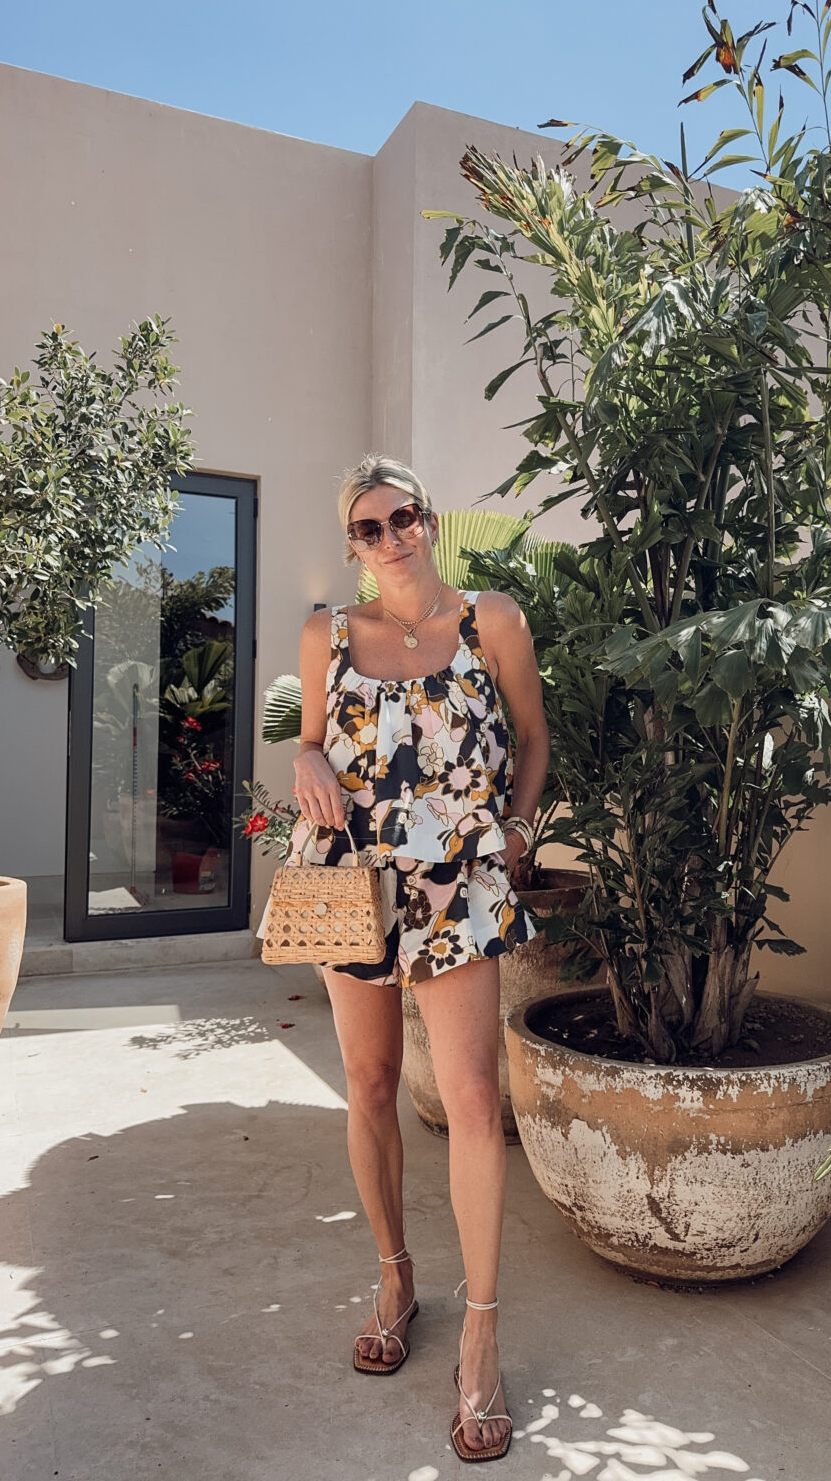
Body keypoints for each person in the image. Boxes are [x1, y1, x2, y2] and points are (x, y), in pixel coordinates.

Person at [290, 454, 549, 1463]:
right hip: (347, 873)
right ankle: (396, 1277)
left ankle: (480, 1332)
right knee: (368, 1083)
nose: (390, 537)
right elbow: (311, 742)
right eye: (369, 526)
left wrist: (517, 832)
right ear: (351, 542)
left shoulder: (494, 621)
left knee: (474, 1101)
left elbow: (533, 739)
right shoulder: (325, 633)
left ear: (429, 521)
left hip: (460, 878)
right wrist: (304, 756)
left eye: (403, 517)